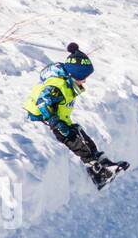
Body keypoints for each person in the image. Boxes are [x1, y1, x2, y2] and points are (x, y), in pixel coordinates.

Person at [23, 43, 128, 189]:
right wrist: (55, 122)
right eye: (82, 77)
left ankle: (102, 161)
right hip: (42, 119)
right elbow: (42, 103)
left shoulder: (66, 83)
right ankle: (97, 171)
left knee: (80, 133)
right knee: (72, 138)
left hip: (59, 119)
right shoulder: (57, 85)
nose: (85, 81)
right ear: (73, 75)